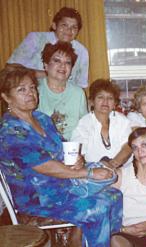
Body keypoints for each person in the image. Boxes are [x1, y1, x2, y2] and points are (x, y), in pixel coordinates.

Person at [0, 66, 122, 247]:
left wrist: (77, 158)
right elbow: (44, 165)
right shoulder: (10, 131)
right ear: (6, 97)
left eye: (32, 87)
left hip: (63, 186)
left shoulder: (42, 119)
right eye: (21, 90)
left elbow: (64, 147)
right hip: (38, 198)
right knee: (99, 207)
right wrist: (87, 173)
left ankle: (79, 237)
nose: (30, 93)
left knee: (114, 195)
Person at [7, 7, 89, 88]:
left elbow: (81, 85)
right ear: (54, 25)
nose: (68, 30)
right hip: (31, 94)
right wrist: (48, 74)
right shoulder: (36, 39)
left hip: (64, 98)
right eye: (64, 25)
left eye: (74, 27)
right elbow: (10, 68)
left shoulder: (82, 52)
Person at [71, 79, 132, 168]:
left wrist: (112, 165)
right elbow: (80, 154)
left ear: (115, 103)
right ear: (92, 101)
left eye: (110, 98)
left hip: (121, 170)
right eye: (100, 97)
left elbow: (128, 147)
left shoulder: (122, 121)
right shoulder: (84, 124)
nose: (105, 102)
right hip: (93, 172)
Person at [37, 41, 87, 140]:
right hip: (42, 148)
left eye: (67, 62)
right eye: (57, 61)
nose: (63, 66)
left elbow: (85, 128)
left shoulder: (78, 93)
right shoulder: (35, 89)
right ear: (46, 65)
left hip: (72, 149)